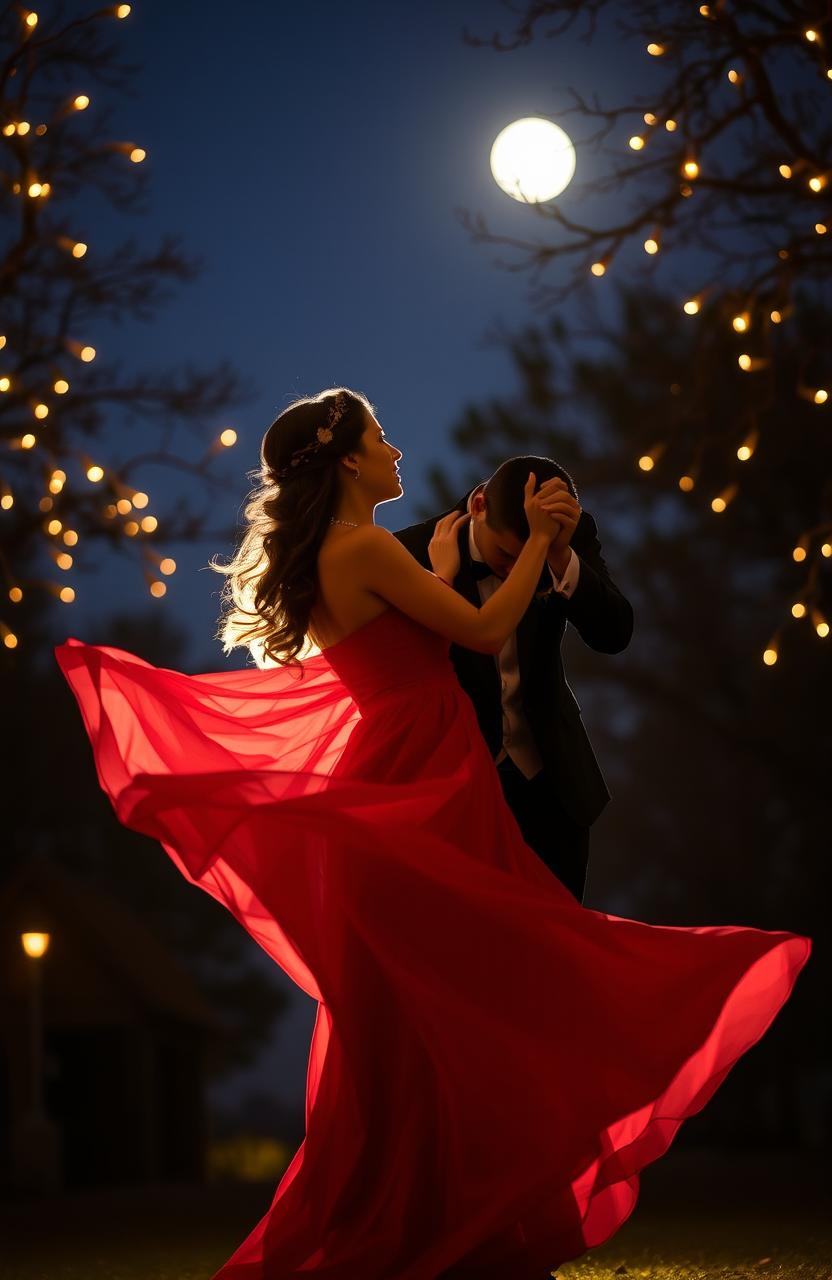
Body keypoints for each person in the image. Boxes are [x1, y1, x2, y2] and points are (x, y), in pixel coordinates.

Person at [56, 387, 811, 1280]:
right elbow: (486, 631)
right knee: (488, 996)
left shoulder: (344, 556)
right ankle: (459, 1219)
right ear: (343, 459)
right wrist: (536, 543)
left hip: (401, 773)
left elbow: (404, 637)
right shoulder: (370, 545)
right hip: (424, 781)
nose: (396, 454)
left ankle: (453, 1222)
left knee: (426, 1027)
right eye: (379, 438)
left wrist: (456, 566)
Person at [396, 458, 632, 904]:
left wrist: (560, 555)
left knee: (559, 951)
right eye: (506, 556)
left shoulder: (566, 537)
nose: (514, 573)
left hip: (555, 788)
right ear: (479, 506)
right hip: (458, 795)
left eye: (530, 561)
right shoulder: (408, 553)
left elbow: (615, 635)